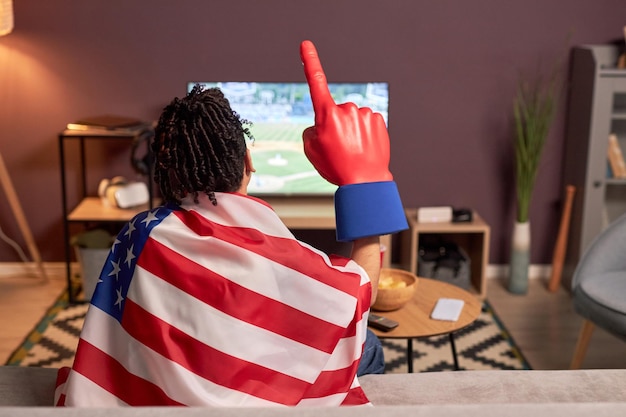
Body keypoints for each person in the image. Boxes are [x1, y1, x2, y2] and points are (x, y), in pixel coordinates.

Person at [55, 40, 407, 407]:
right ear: (249, 163)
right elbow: (358, 298)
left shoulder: (139, 232)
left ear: (167, 174)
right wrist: (364, 183)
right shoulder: (276, 252)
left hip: (163, 388)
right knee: (369, 345)